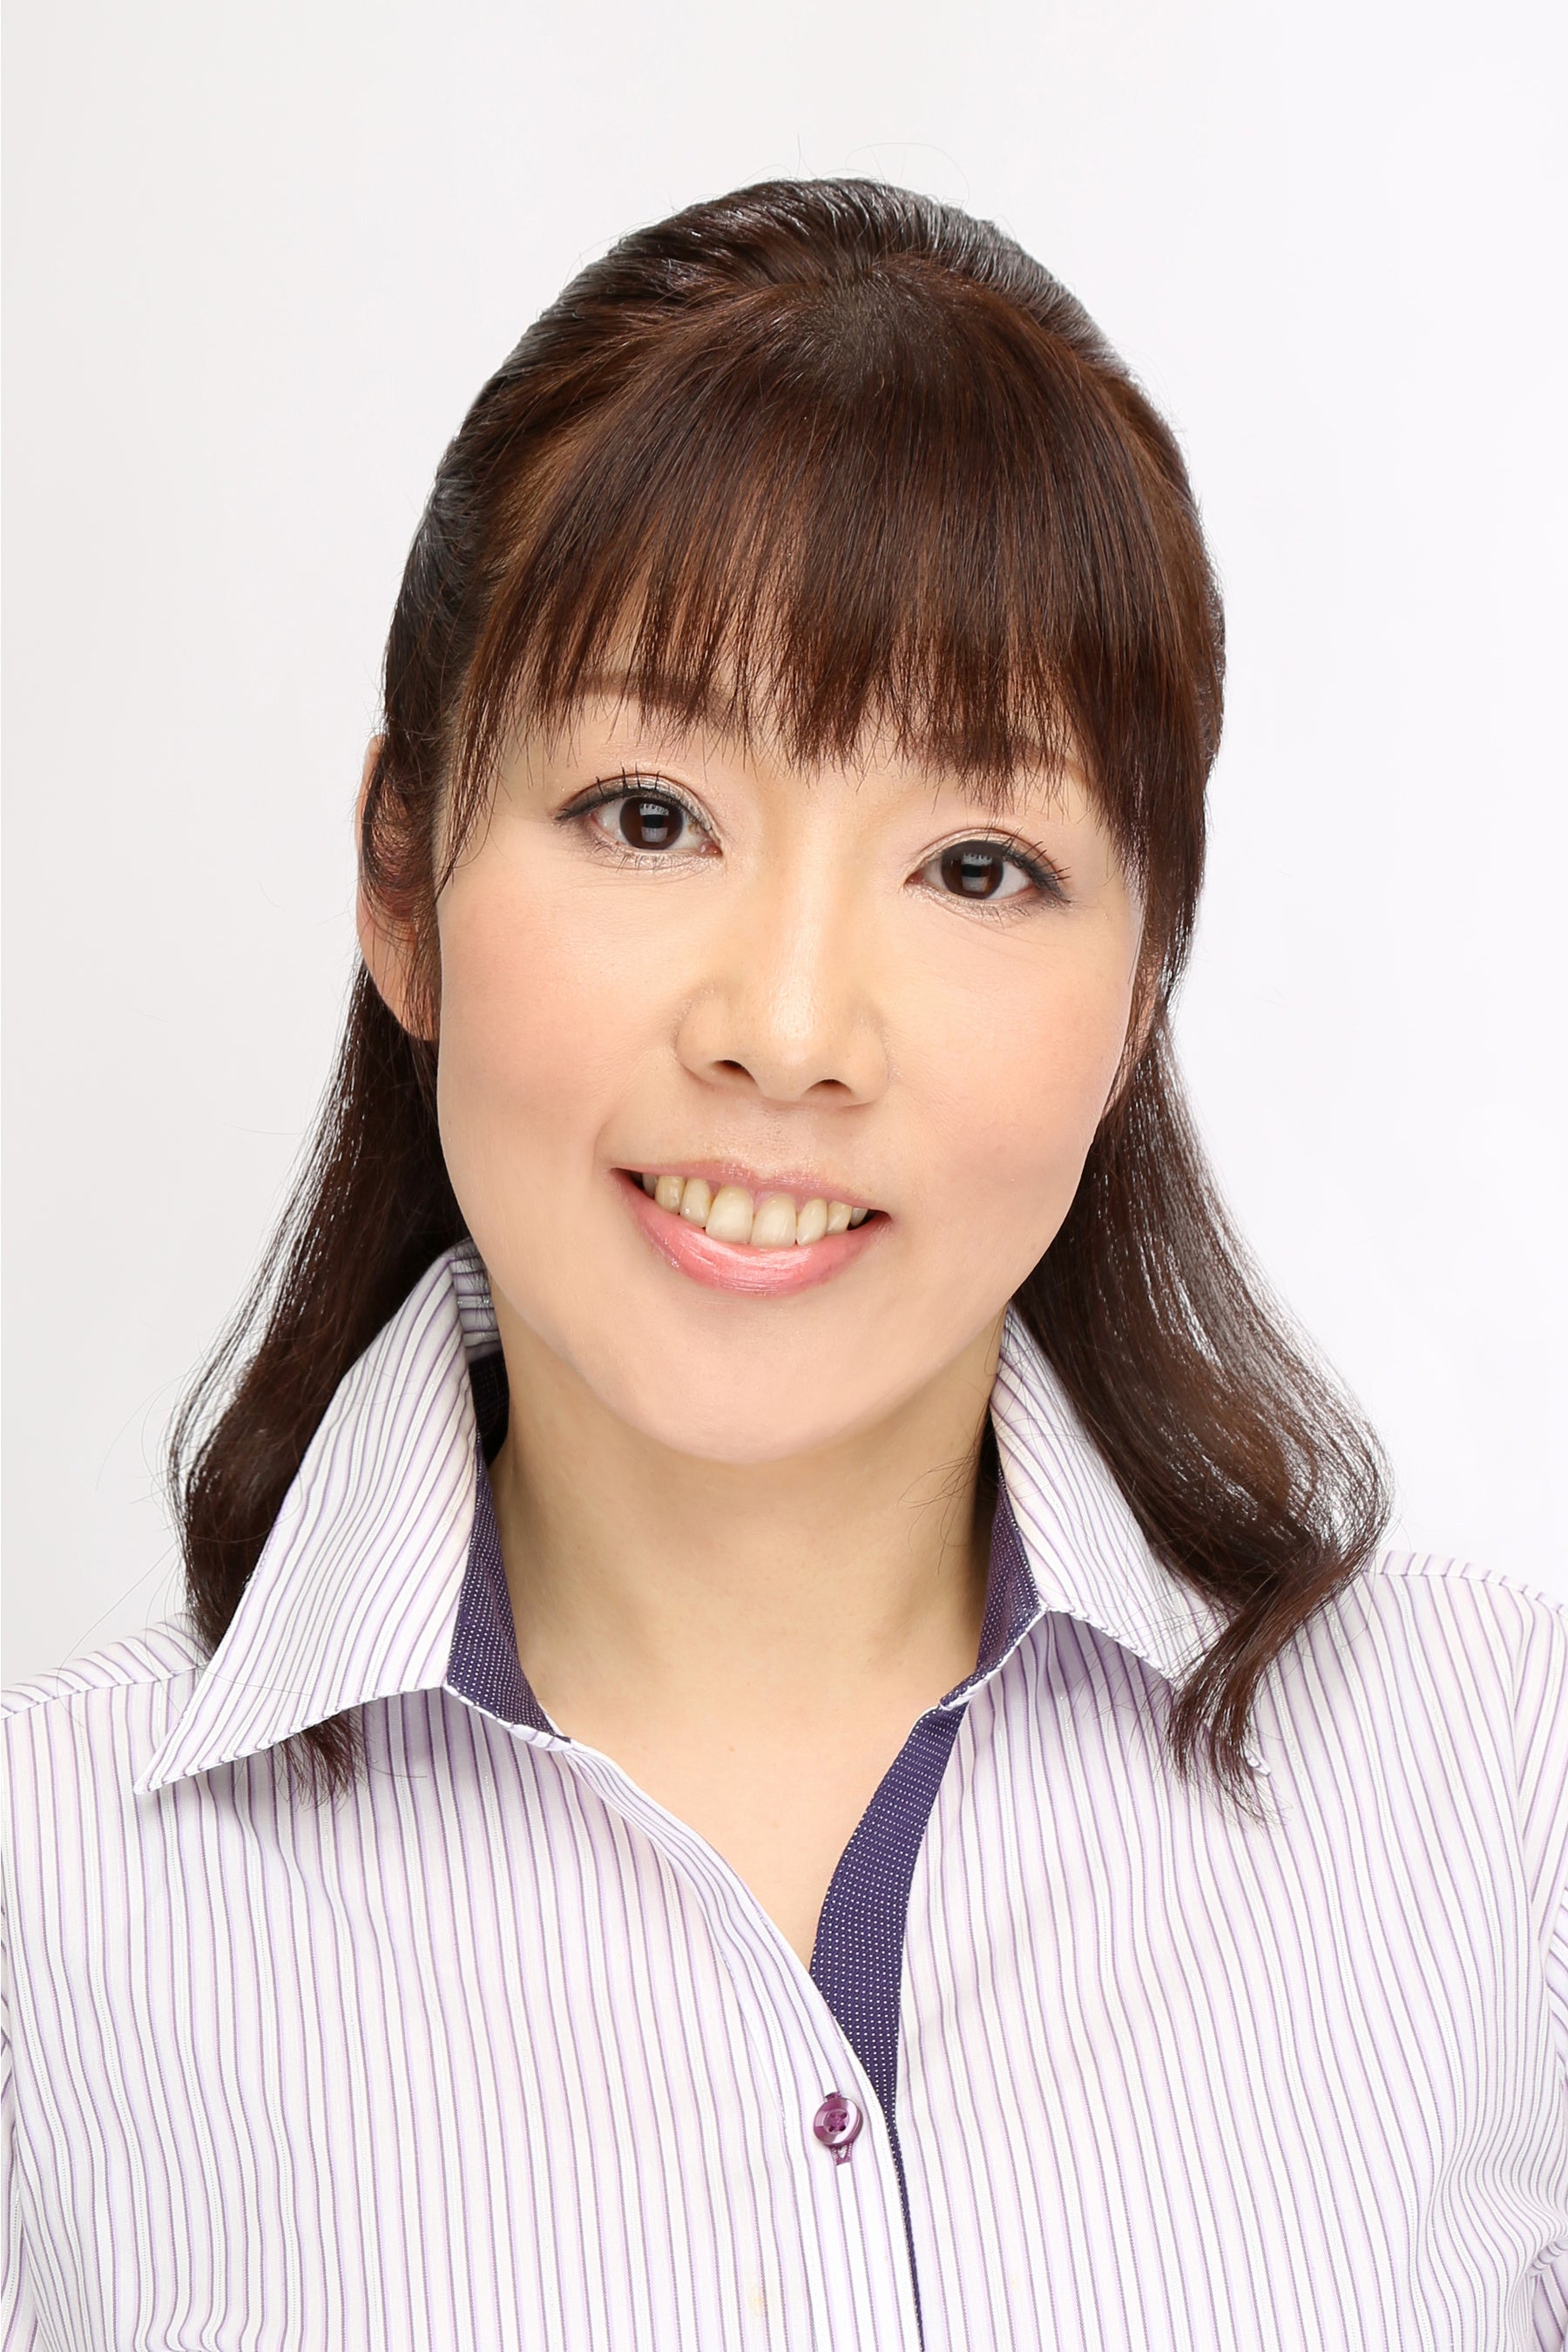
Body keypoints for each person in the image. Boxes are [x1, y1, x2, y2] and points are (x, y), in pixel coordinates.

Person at [3, 177, 1564, 2351]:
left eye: (979, 864)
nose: (792, 1029)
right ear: (401, 882)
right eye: (650, 815)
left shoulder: (1501, 1794)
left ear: (1143, 994)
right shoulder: (46, 1927)